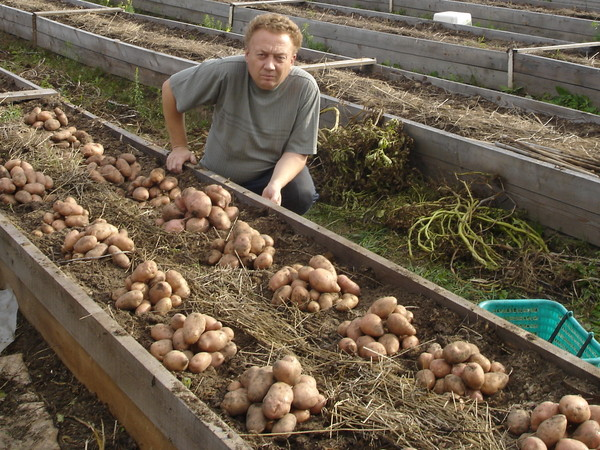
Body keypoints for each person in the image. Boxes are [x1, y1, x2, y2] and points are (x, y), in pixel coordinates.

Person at [162, 13, 320, 215]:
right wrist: (179, 146)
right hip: (218, 173)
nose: (269, 66)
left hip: (268, 173)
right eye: (261, 55)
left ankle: (271, 216)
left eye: (280, 57)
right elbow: (170, 89)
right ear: (247, 54)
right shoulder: (226, 71)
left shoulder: (304, 88)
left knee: (301, 194)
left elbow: (298, 152)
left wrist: (276, 184)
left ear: (292, 59)